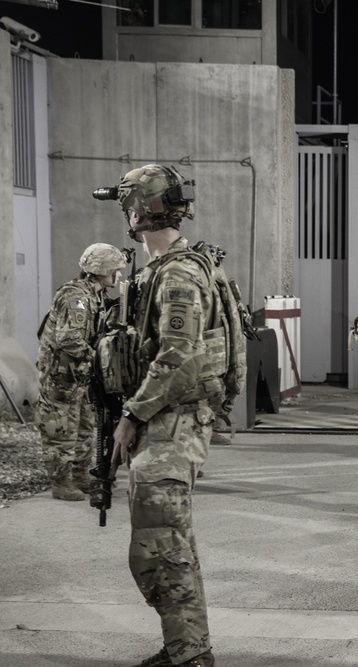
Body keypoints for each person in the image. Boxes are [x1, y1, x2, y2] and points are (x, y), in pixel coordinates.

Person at [106, 164, 218, 667]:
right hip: (165, 420)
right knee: (171, 541)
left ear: (139, 209)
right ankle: (188, 648)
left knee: (156, 548)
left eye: (127, 203)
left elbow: (181, 354)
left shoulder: (177, 272)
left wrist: (131, 413)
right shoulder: (160, 269)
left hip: (171, 422)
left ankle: (190, 655)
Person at [36, 243, 126, 501]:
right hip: (61, 376)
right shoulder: (76, 297)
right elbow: (69, 339)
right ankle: (61, 482)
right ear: (101, 271)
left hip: (78, 376)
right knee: (61, 428)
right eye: (115, 270)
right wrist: (99, 358)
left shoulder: (94, 295)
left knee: (85, 426)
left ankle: (80, 475)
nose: (118, 275)